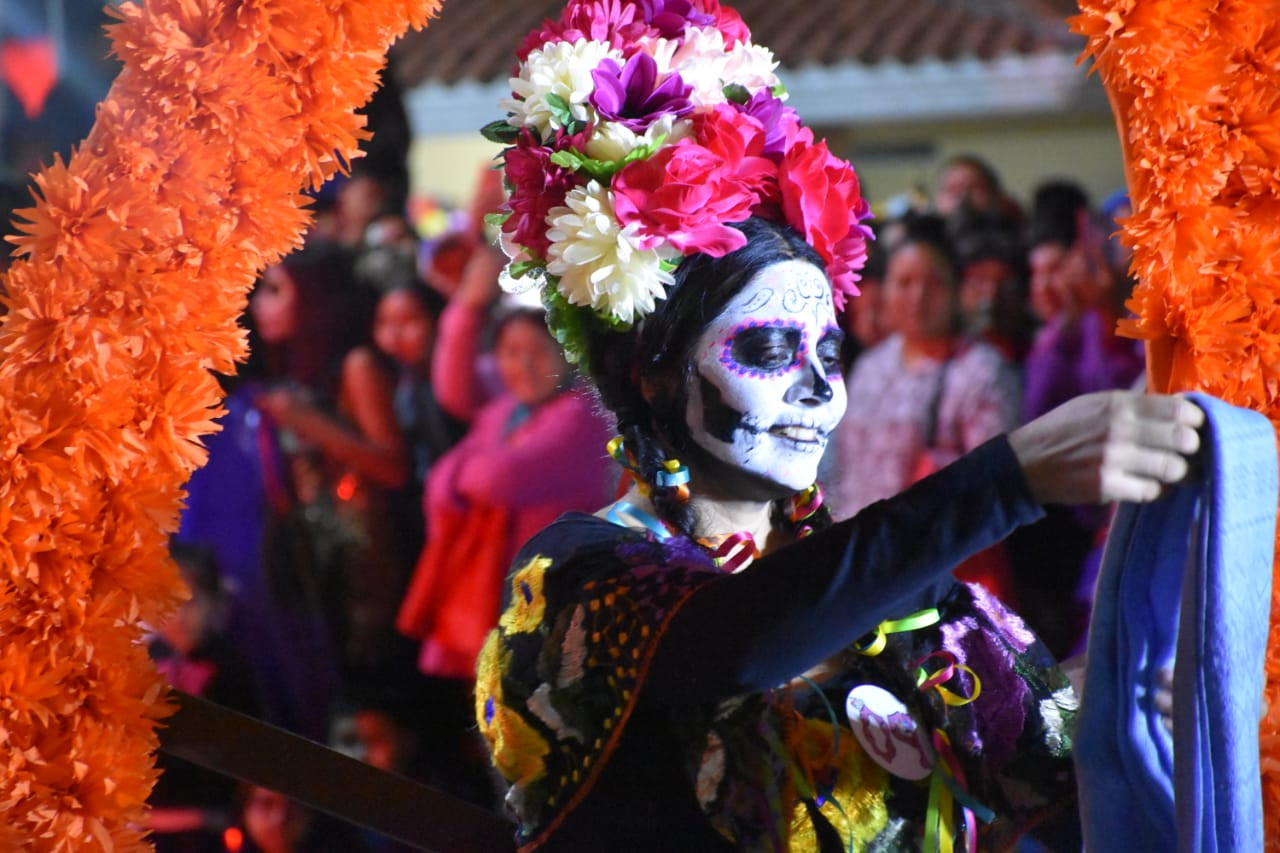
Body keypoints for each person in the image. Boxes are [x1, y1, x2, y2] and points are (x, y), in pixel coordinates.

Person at [472, 3, 1202, 849]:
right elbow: (739, 642)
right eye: (770, 347)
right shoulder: (577, 572)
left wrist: (1123, 706)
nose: (820, 393)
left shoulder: (905, 596)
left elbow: (1048, 776)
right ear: (654, 370)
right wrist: (1009, 478)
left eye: (829, 350)